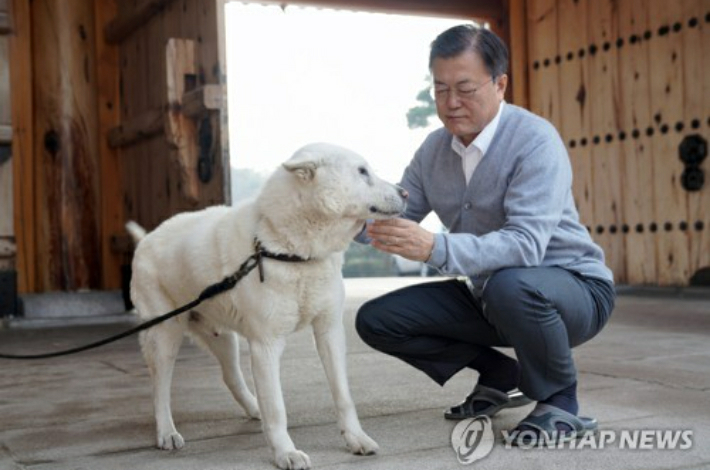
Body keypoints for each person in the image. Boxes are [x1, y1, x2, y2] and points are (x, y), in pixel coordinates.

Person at [355, 24, 615, 445]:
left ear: (500, 84)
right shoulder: (433, 150)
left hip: (574, 291)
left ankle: (561, 403)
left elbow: (526, 245)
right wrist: (337, 210)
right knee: (378, 320)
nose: (451, 103)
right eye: (440, 89)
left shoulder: (534, 140)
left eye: (465, 89)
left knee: (511, 285)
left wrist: (435, 247)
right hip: (491, 297)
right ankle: (499, 374)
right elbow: (390, 216)